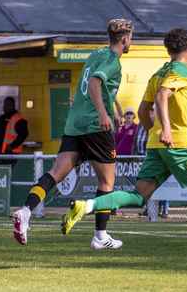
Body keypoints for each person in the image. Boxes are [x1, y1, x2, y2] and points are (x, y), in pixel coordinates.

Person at [60, 28, 187, 269]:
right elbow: (162, 97)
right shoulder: (180, 70)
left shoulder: (158, 72)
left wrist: (156, 131)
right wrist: (168, 130)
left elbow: (143, 111)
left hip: (157, 146)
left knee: (139, 196)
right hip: (179, 145)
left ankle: (86, 205)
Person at [12, 18, 133, 249]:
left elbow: (100, 85)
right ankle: (100, 236)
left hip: (74, 123)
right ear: (126, 39)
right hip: (95, 126)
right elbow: (97, 83)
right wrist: (103, 113)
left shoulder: (96, 54)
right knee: (107, 182)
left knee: (56, 173)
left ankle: (26, 211)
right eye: (131, 38)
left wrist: (113, 108)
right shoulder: (113, 62)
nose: (131, 42)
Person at [0, 96, 28, 165]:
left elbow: (24, 134)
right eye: (5, 104)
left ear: (12, 105)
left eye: (8, 104)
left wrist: (12, 146)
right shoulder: (1, 118)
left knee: (6, 172)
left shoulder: (19, 119)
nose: (5, 107)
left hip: (9, 153)